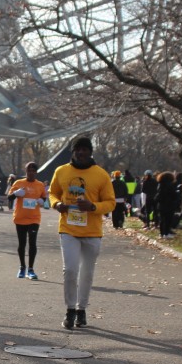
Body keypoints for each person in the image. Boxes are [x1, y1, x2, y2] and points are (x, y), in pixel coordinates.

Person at [49, 137, 115, 329]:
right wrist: (57, 204)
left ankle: (81, 309)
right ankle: (70, 310)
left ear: (90, 152)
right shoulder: (61, 171)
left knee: (87, 273)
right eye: (78, 149)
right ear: (73, 152)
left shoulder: (101, 175)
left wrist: (92, 206)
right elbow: (52, 193)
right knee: (70, 270)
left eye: (85, 149)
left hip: (92, 231)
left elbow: (110, 203)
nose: (81, 152)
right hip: (68, 229)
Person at [9, 161, 48, 279]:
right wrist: (16, 193)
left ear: (36, 172)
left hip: (34, 218)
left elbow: (44, 197)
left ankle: (31, 269)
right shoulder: (18, 183)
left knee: (32, 243)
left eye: (33, 171)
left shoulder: (40, 185)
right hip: (20, 218)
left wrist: (42, 201)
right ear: (25, 171)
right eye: (28, 170)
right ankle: (22, 267)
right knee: (22, 243)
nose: (31, 173)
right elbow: (9, 197)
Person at [155, 171, 178, 239]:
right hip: (169, 205)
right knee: (168, 219)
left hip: (161, 205)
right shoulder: (170, 185)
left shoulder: (160, 185)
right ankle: (166, 233)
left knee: (162, 220)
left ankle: (161, 233)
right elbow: (174, 195)